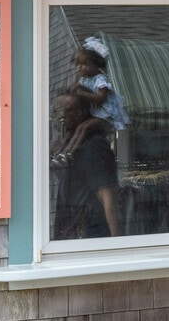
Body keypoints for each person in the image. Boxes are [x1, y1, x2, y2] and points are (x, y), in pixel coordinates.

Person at [50, 36, 128, 237]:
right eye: (54, 112)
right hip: (72, 237)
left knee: (83, 129)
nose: (57, 118)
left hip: (91, 238)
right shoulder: (68, 140)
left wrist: (116, 239)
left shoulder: (94, 147)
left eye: (61, 112)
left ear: (79, 113)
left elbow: (108, 197)